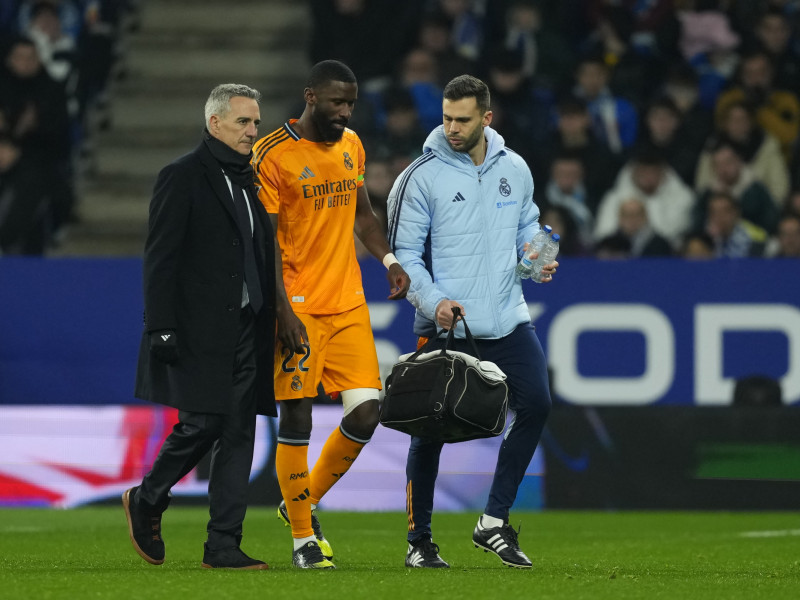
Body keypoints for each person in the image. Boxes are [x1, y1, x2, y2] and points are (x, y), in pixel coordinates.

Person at [387, 74, 555, 569]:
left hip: (508, 317)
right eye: (446, 118)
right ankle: (419, 542)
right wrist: (434, 299)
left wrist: (537, 259)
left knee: (537, 405)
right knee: (430, 430)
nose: (452, 128)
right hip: (448, 325)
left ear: (486, 118)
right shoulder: (419, 176)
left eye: (462, 119)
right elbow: (403, 257)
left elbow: (529, 224)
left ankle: (493, 522)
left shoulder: (516, 168)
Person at [252, 60, 410, 570]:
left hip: (347, 302)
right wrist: (282, 311)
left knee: (367, 411)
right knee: (296, 415)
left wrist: (388, 260)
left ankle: (300, 500)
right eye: (337, 102)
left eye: (351, 104)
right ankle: (303, 540)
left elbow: (363, 214)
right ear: (310, 96)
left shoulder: (352, 145)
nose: (344, 112)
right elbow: (266, 244)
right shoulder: (271, 154)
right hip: (298, 306)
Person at [123, 84, 276, 570]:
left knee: (238, 434)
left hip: (248, 328)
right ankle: (148, 497)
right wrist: (160, 327)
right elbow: (160, 259)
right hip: (196, 330)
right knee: (204, 423)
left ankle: (223, 545)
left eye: (255, 122)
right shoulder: (182, 176)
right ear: (215, 124)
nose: (253, 131)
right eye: (243, 123)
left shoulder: (251, 181)